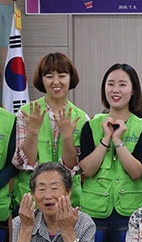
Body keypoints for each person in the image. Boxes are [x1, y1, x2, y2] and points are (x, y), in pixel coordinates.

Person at [77, 63, 142, 242]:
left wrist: (118, 141)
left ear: (133, 90)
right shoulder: (91, 125)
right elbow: (88, 169)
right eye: (110, 84)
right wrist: (106, 139)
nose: (115, 90)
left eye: (122, 84)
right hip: (94, 210)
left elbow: (137, 171)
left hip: (129, 211)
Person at [12, 52, 89, 209]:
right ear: (41, 79)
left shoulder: (82, 118)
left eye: (62, 75)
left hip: (68, 203)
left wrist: (67, 137)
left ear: (70, 78)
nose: (56, 82)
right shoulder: (26, 112)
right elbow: (21, 163)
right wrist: (33, 132)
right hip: (30, 201)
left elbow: (76, 167)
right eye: (49, 76)